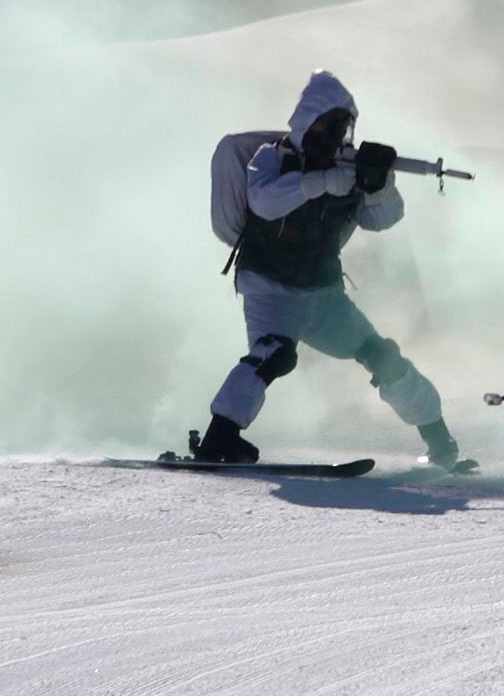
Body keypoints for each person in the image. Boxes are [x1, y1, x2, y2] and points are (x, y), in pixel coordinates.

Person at [192, 72, 462, 470]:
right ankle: (218, 442)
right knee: (273, 356)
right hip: (270, 288)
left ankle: (441, 444)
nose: (335, 134)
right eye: (327, 123)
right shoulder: (273, 156)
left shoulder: (349, 166)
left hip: (323, 295)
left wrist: (379, 183)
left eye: (342, 125)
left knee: (381, 355)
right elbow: (264, 201)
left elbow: (384, 219)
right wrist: (321, 182)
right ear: (307, 121)